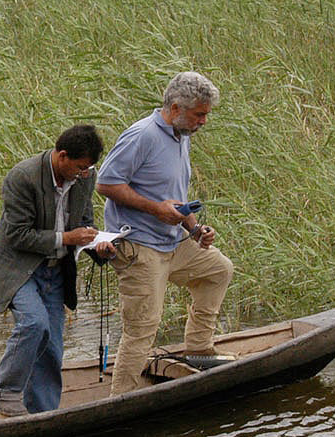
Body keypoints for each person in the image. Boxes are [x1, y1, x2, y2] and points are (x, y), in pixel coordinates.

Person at [96, 71, 234, 396]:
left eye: (205, 115)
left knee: (218, 270)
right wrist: (156, 209)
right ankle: (122, 400)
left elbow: (174, 197)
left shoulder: (180, 135)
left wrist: (195, 228)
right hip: (138, 245)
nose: (203, 121)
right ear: (175, 108)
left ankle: (199, 350)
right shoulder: (142, 135)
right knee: (143, 326)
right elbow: (106, 183)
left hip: (173, 242)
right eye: (199, 115)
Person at [0, 124, 110, 416]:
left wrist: (98, 245)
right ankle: (5, 392)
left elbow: (84, 222)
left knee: (52, 346)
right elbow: (17, 235)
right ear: (62, 155)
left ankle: (42, 412)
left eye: (88, 169)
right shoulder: (23, 177)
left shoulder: (85, 178)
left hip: (56, 272)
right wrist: (67, 238)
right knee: (33, 324)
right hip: (21, 270)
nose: (84, 174)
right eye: (79, 168)